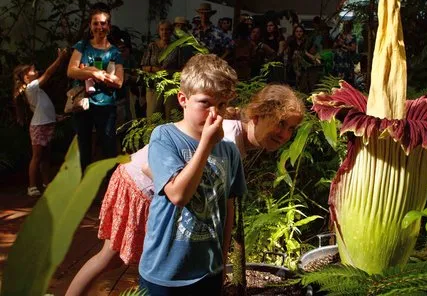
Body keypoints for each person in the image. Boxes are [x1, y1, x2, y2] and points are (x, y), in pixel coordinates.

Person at [64, 83, 305, 295]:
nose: (284, 134)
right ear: (258, 114)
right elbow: (155, 168)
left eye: (291, 128)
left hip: (160, 189)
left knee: (114, 259)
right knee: (111, 257)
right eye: (280, 123)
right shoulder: (224, 136)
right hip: (139, 183)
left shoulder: (237, 140)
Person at [139, 54, 244, 294]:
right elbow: (178, 195)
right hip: (164, 273)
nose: (214, 114)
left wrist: (221, 260)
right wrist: (206, 145)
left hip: (208, 271)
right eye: (205, 103)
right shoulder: (165, 137)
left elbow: (228, 207)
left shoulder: (229, 151)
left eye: (221, 105)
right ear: (183, 99)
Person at [67, 3, 124, 171]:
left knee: (108, 145)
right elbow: (71, 71)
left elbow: (119, 82)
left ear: (109, 26)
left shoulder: (114, 52)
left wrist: (88, 71)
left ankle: (110, 187)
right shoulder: (82, 46)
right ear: (90, 26)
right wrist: (94, 74)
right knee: (82, 145)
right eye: (96, 23)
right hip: (83, 103)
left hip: (105, 104)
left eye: (103, 23)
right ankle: (82, 186)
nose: (100, 27)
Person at [12, 48, 69, 196]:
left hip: (47, 124)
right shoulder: (31, 88)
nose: (36, 71)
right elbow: (49, 73)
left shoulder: (37, 91)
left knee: (45, 156)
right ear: (25, 78)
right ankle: (31, 186)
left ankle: (46, 182)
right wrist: (60, 59)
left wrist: (56, 116)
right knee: (37, 156)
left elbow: (43, 108)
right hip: (39, 126)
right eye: (32, 70)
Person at [141, 20, 180, 119]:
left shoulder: (176, 47)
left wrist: (169, 72)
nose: (164, 32)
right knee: (153, 115)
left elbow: (181, 69)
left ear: (171, 32)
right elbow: (143, 66)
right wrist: (153, 69)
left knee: (171, 116)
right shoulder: (152, 46)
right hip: (153, 85)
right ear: (158, 31)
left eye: (167, 30)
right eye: (162, 29)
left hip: (170, 85)